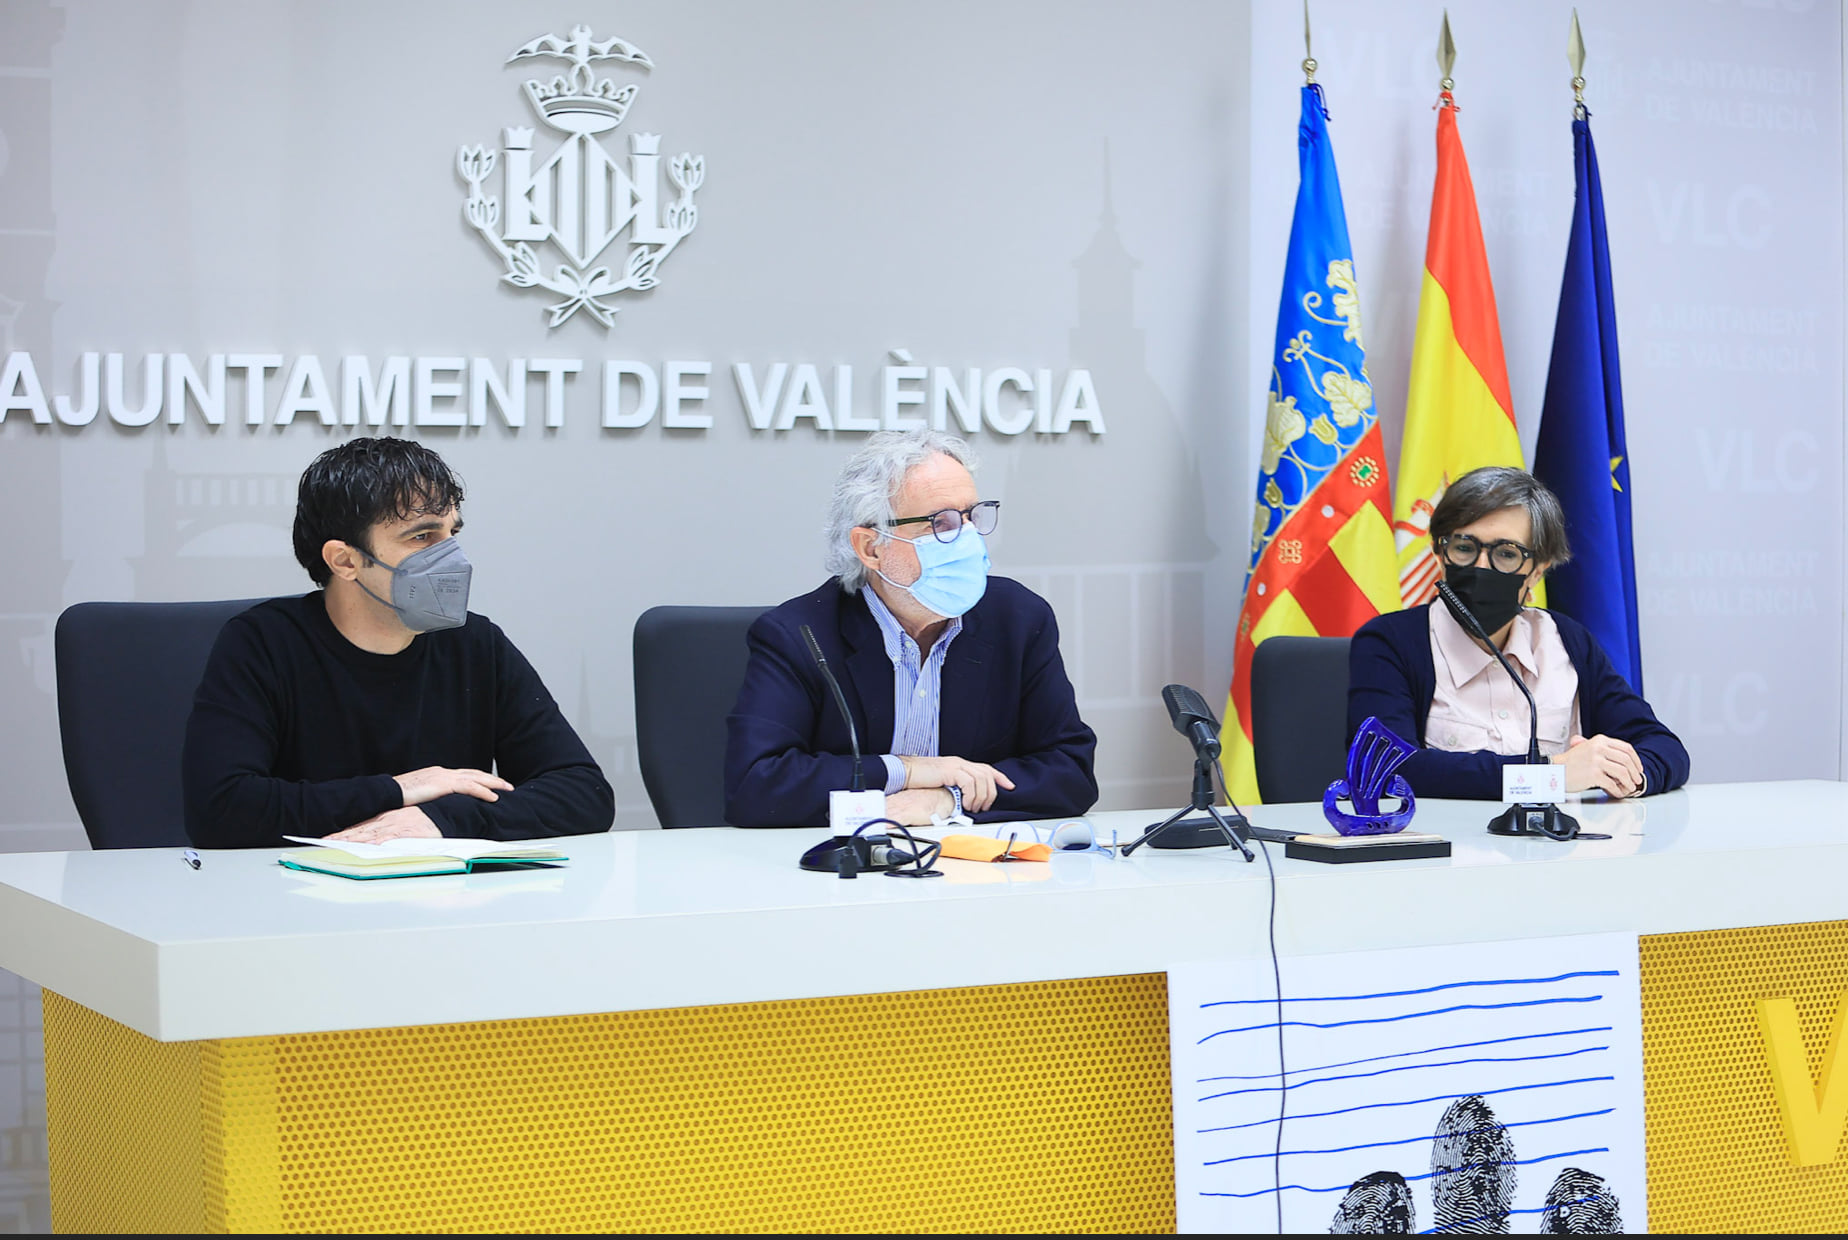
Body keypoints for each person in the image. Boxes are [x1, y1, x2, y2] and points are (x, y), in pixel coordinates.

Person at [182, 437, 615, 847]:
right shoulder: (263, 642)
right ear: (346, 560)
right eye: (422, 537)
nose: (453, 559)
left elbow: (585, 793)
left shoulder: (476, 643)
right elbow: (221, 810)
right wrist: (400, 789)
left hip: (447, 903)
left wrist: (441, 820)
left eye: (452, 534)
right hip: (297, 899)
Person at [725, 429, 1097, 827]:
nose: (968, 537)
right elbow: (756, 786)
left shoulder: (1019, 619)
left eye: (972, 515)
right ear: (871, 547)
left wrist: (947, 800)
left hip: (971, 873)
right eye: (941, 522)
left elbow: (1069, 772)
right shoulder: (799, 635)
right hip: (839, 872)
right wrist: (910, 771)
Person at [1348, 466, 1688, 800]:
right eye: (1465, 548)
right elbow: (1388, 767)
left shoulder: (1567, 641)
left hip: (1563, 851)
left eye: (1506, 554)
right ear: (1440, 556)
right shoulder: (1389, 642)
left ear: (1536, 573)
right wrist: (1549, 776)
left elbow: (1664, 749)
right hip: (1448, 851)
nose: (1482, 567)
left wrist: (1623, 774)